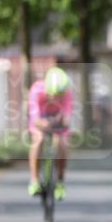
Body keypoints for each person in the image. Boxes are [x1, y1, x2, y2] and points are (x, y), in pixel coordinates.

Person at [28, 67, 74, 200]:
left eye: (60, 95)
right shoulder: (37, 90)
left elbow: (67, 118)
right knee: (38, 139)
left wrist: (62, 121)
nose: (57, 98)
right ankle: (34, 180)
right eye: (54, 94)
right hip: (40, 120)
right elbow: (35, 118)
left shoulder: (67, 92)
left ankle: (60, 182)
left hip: (58, 122)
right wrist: (45, 124)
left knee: (62, 144)